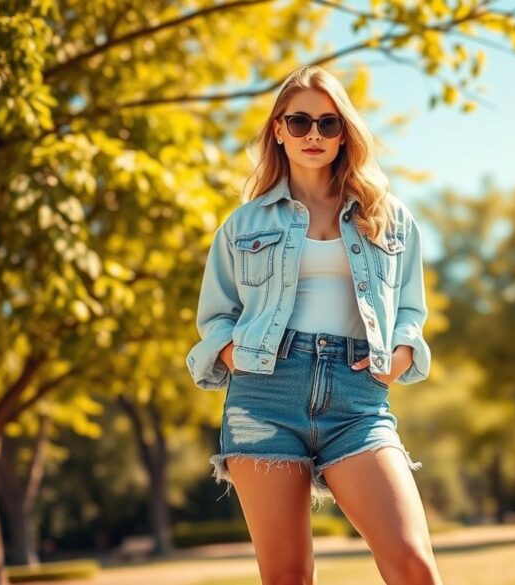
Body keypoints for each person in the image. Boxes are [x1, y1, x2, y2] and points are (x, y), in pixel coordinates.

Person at [185, 64, 443, 585]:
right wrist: (240, 358)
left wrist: (400, 357)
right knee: (288, 578)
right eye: (299, 122)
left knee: (414, 565)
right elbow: (216, 318)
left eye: (328, 124)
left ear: (345, 132)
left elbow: (411, 310)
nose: (313, 136)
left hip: (357, 400)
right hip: (265, 399)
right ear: (278, 128)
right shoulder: (243, 224)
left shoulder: (388, 216)